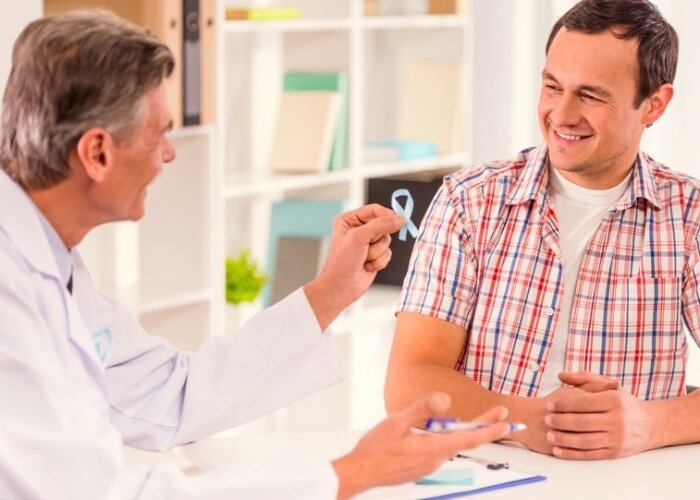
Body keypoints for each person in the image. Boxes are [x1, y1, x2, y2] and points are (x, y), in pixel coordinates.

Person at [0, 9, 511, 500]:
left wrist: (328, 293)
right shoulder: (10, 290)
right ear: (97, 153)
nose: (170, 153)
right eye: (158, 135)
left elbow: (172, 394)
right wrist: (349, 474)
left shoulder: (52, 263)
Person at [385, 0, 700, 461]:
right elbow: (409, 383)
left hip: (632, 481)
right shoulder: (468, 201)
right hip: (492, 475)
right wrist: (528, 421)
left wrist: (650, 423)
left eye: (590, 96)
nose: (561, 114)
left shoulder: (689, 216)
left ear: (654, 105)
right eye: (552, 86)